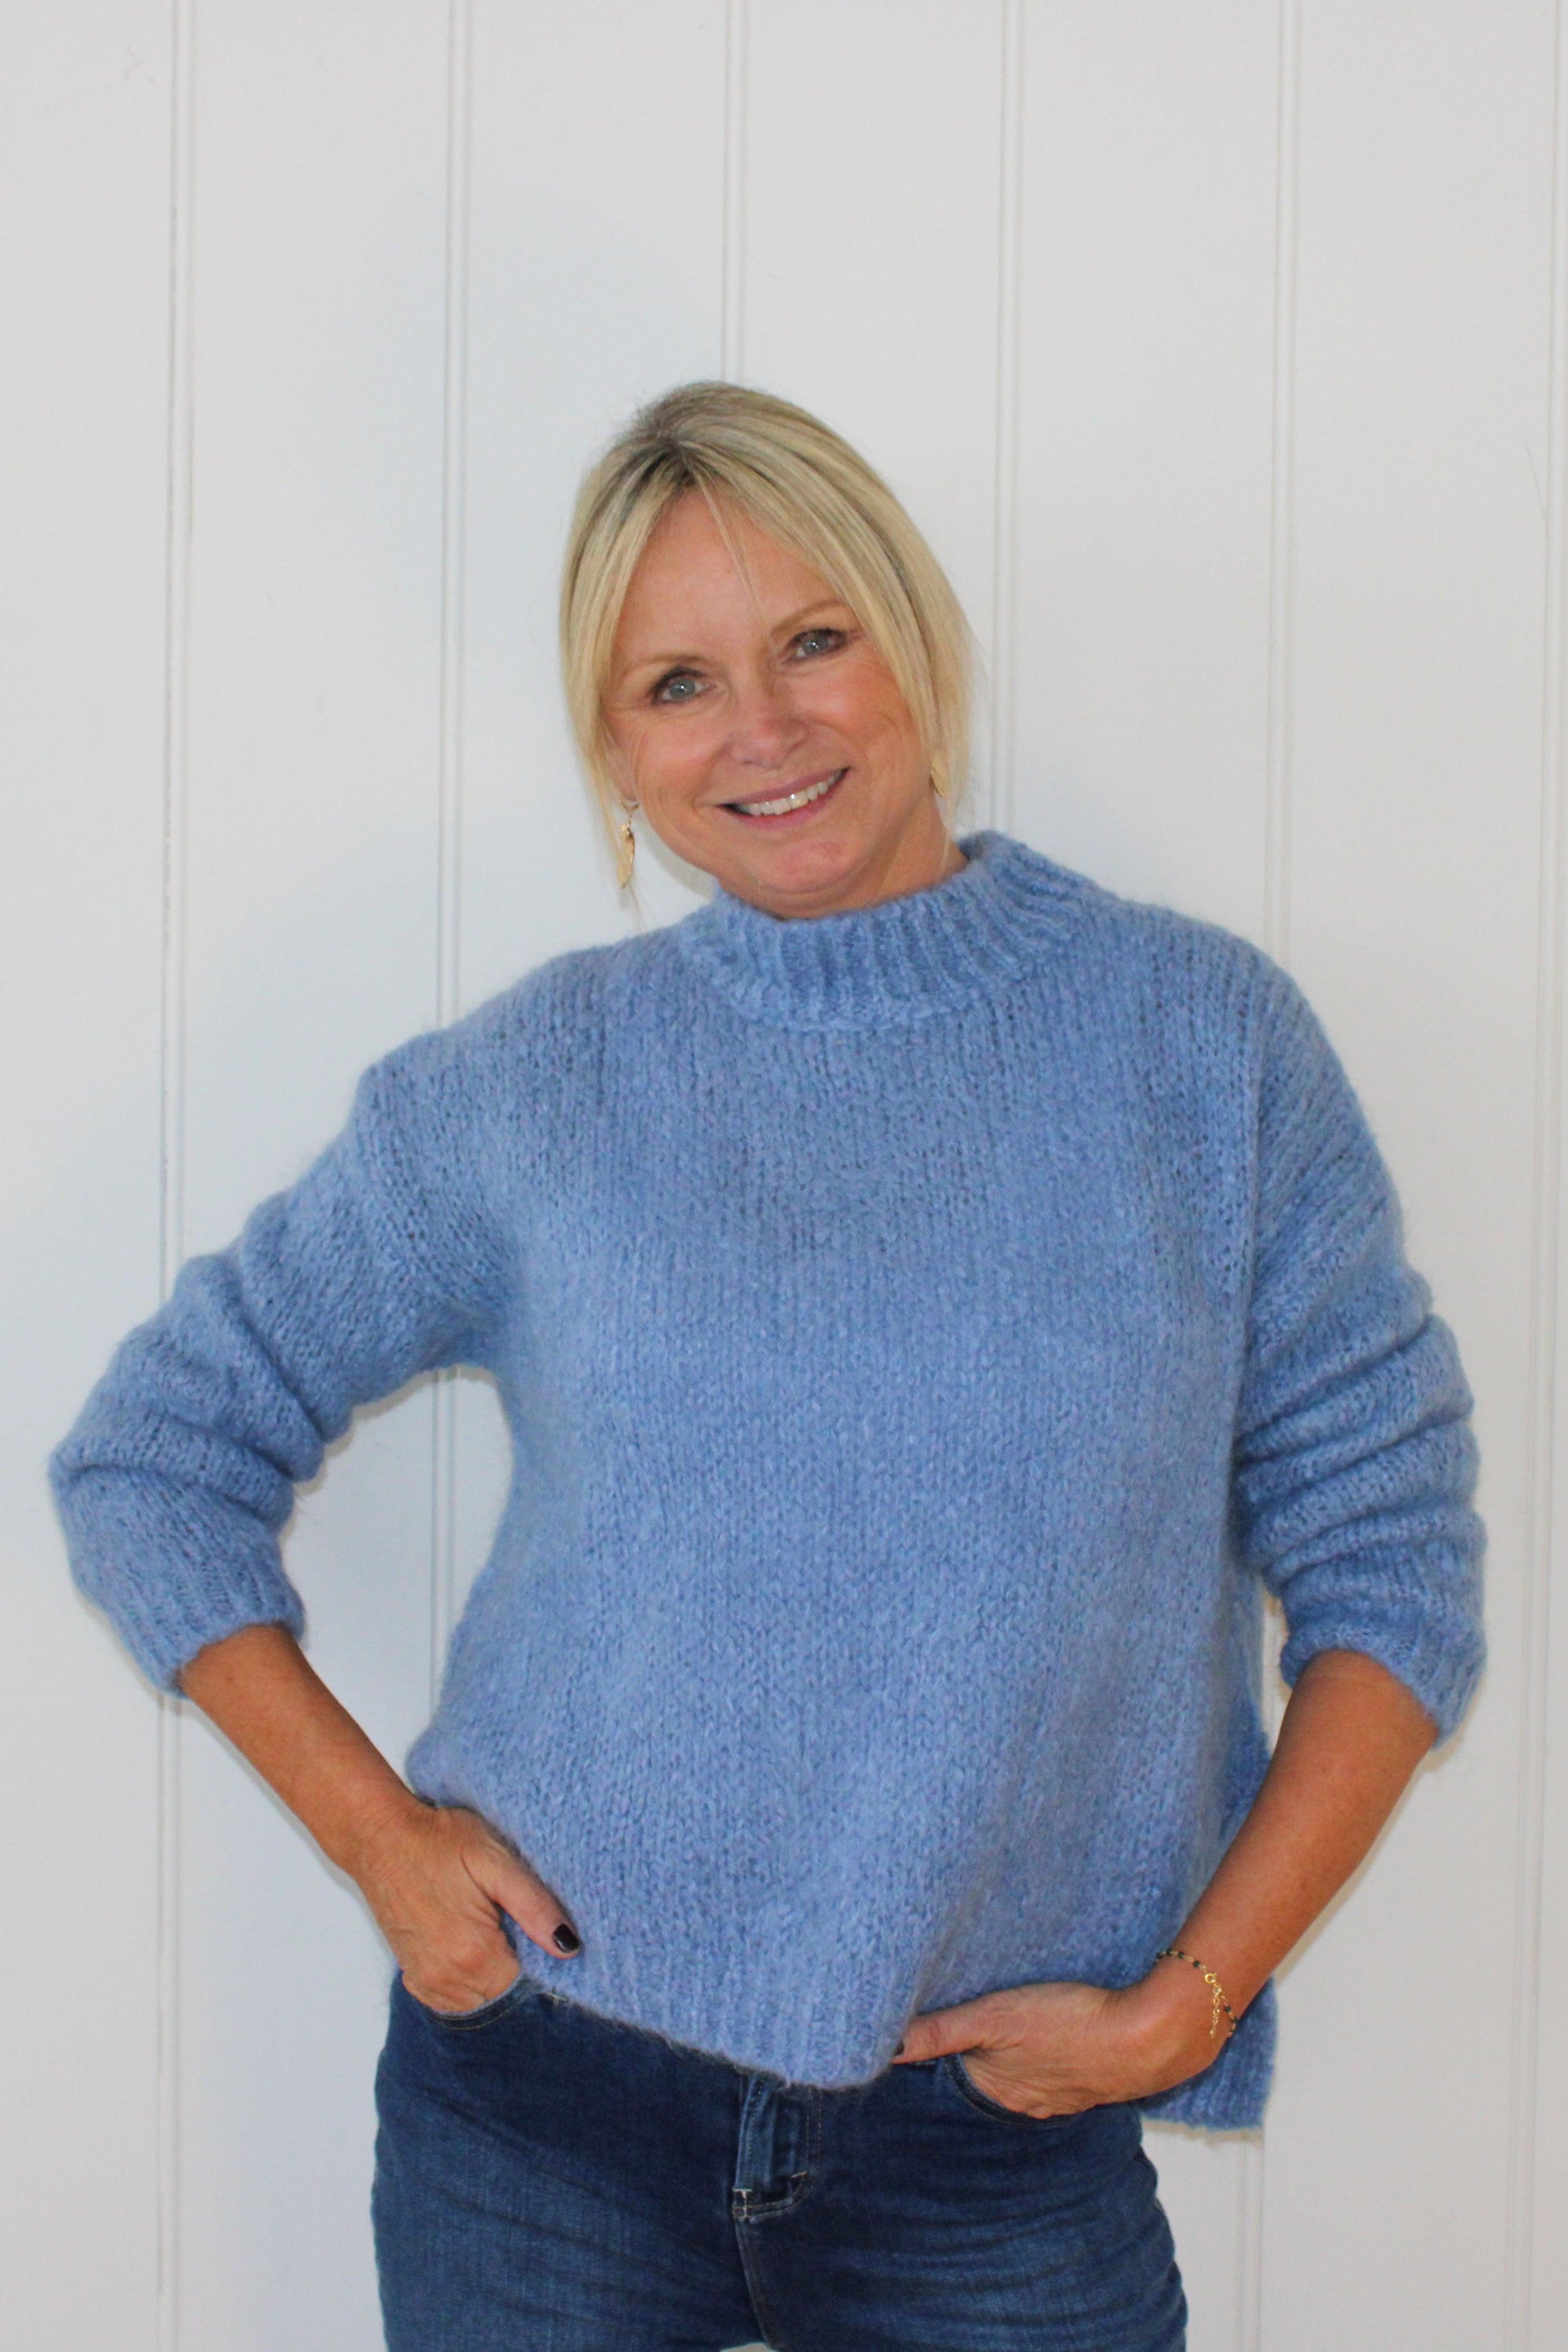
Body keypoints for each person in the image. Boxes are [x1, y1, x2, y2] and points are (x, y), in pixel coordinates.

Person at [50, 380, 1486, 2352]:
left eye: (813, 640)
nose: (764, 728)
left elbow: (1392, 1564)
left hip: (998, 2141)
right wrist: (384, 1846)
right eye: (678, 683)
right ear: (616, 752)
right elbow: (153, 1453)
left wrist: (1194, 1998)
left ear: (916, 644)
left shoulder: (1198, 1048)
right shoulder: (538, 1085)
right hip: (538, 2115)